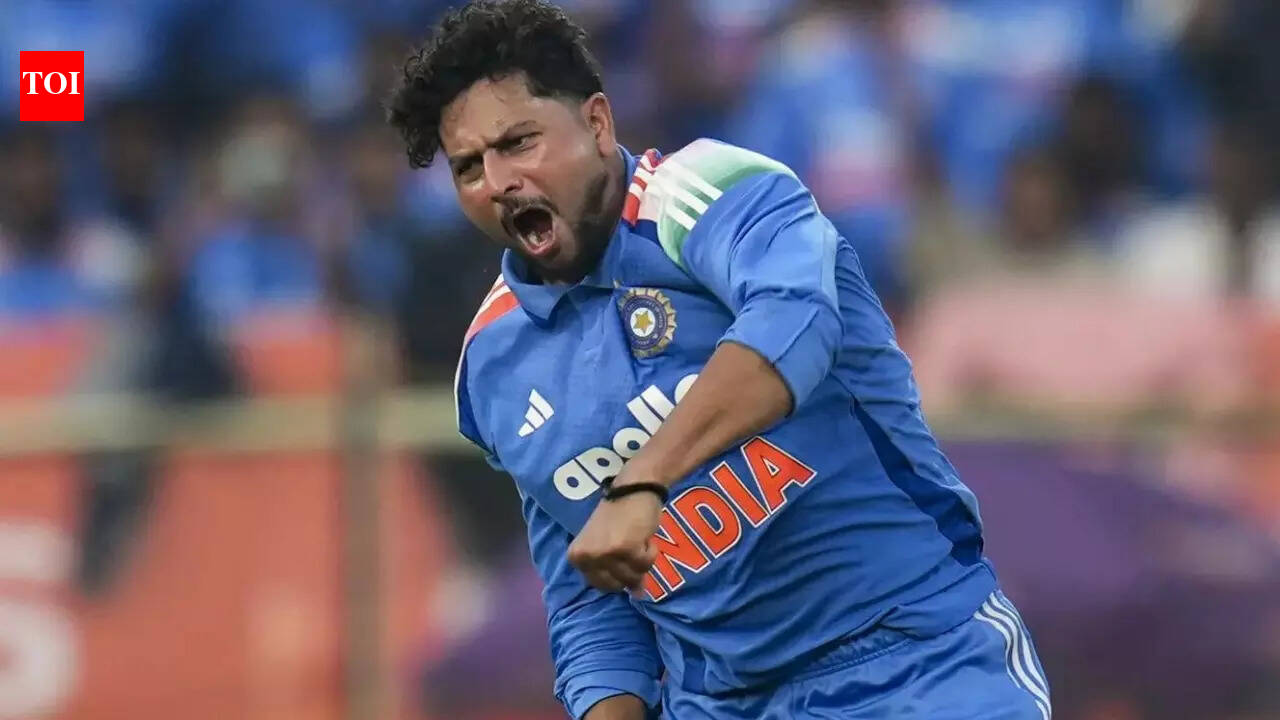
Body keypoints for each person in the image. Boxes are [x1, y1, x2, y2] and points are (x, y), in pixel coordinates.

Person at [386, 2, 1051, 718]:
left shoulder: (711, 191)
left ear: (598, 123)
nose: (498, 182)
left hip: (914, 659)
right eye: (469, 168)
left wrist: (643, 482)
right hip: (723, 704)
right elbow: (590, 602)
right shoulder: (493, 364)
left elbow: (795, 324)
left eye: (519, 142)